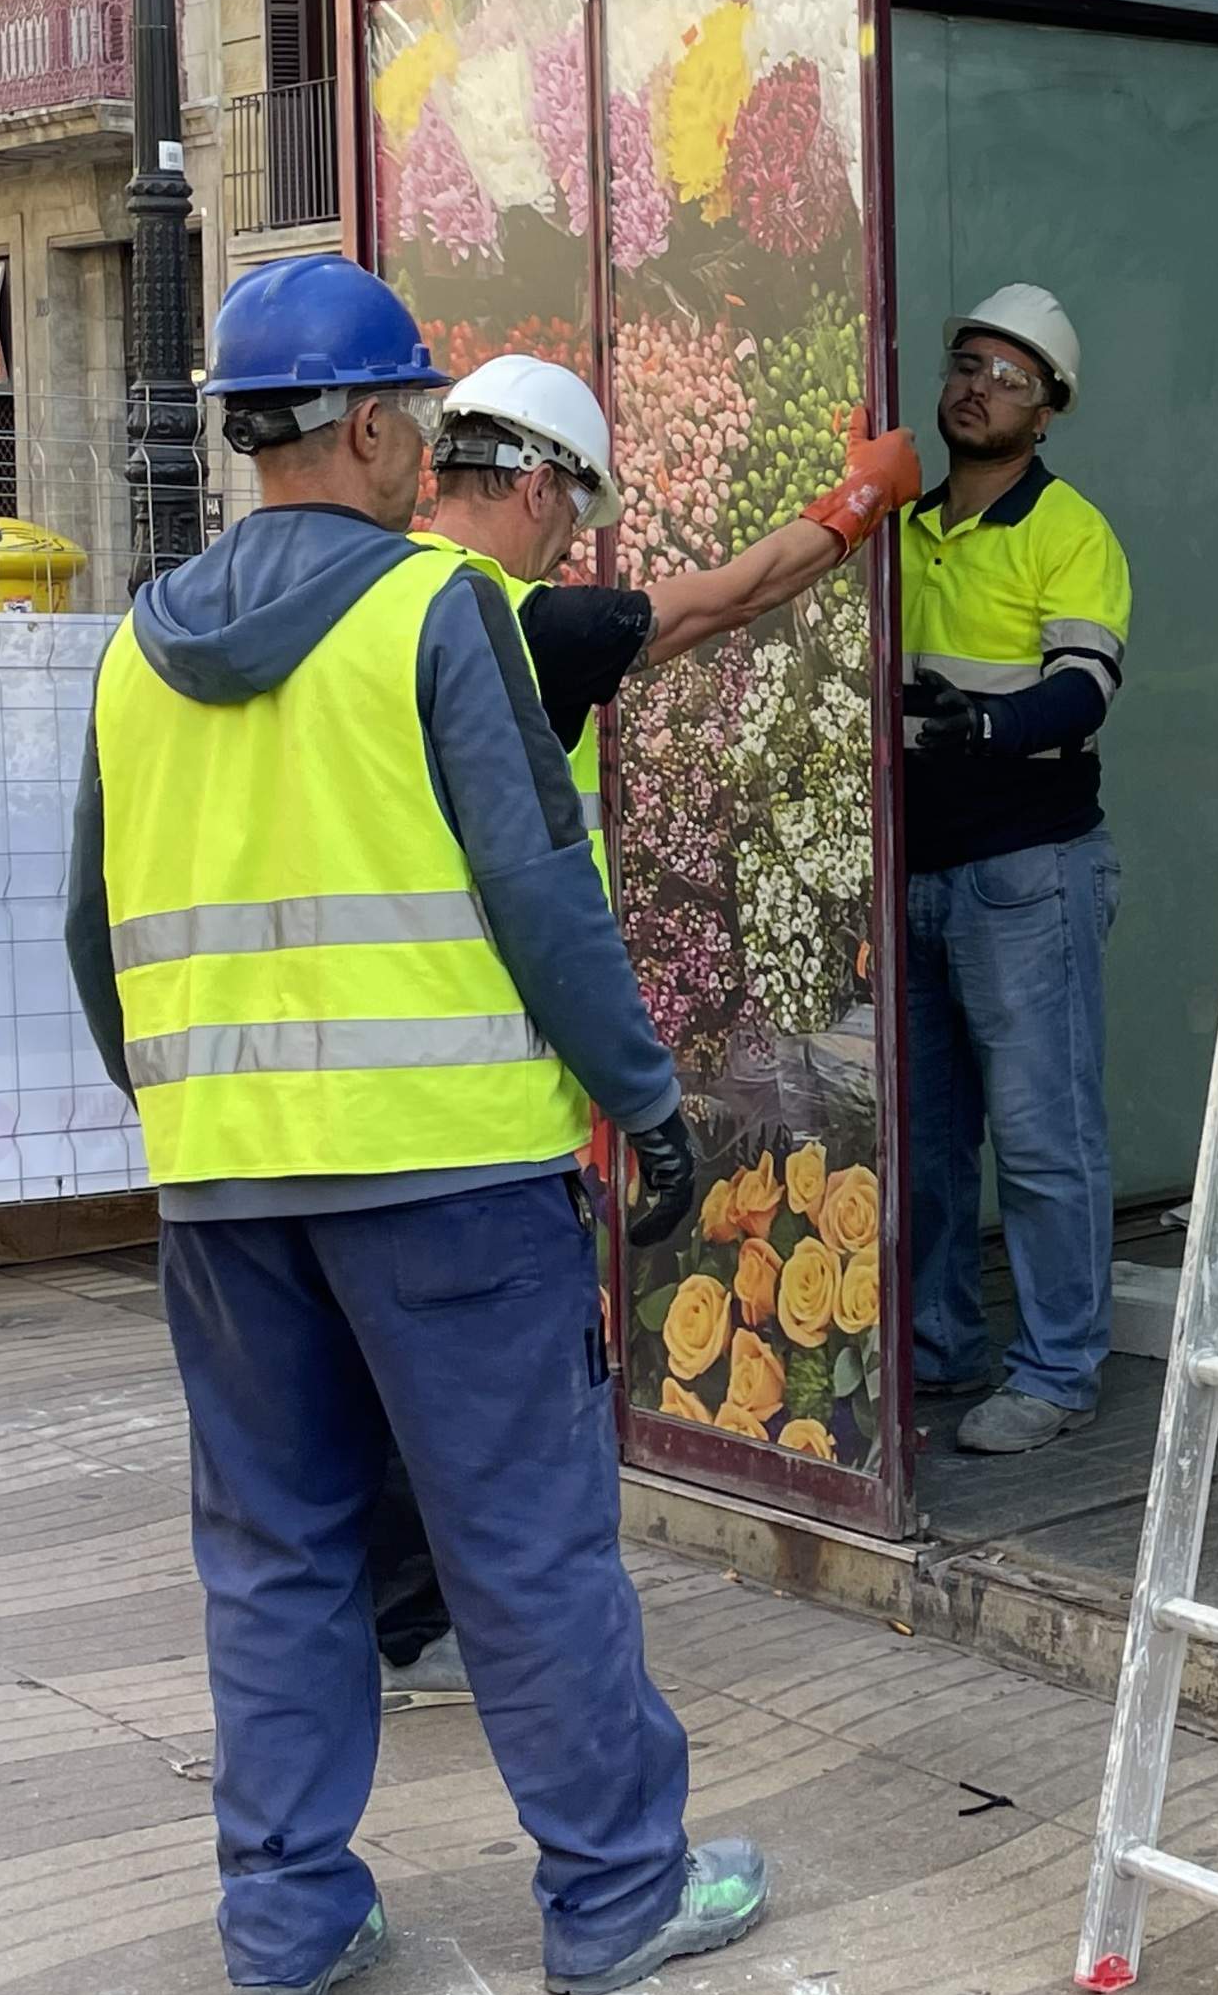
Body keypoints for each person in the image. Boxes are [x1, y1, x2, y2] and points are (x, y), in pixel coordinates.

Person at [63, 255, 769, 1995]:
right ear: (371, 426)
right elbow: (543, 894)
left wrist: (193, 1120)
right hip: (451, 1179)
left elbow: (92, 932)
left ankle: (286, 1926)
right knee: (524, 1540)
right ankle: (615, 1889)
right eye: (416, 416)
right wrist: (647, 1101)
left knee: (277, 1551)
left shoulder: (141, 646)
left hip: (227, 1192)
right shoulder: (430, 615)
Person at [363, 351, 919, 1698]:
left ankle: (384, 1626)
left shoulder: (374, 609)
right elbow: (729, 599)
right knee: (505, 1403)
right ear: (541, 486)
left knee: (376, 1396)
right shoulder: (516, 627)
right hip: (475, 1088)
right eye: (576, 512)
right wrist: (858, 501)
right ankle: (481, 1658)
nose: (573, 542)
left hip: (333, 1099)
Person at [899, 284, 1131, 1457]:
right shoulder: (907, 526)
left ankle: (1056, 1371)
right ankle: (940, 1352)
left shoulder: (1068, 529)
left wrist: (982, 729)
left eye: (1008, 376)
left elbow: (1087, 684)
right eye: (969, 364)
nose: (979, 385)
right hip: (920, 873)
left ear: (1048, 414)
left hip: (1027, 873)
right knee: (927, 1140)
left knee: (1043, 1139)